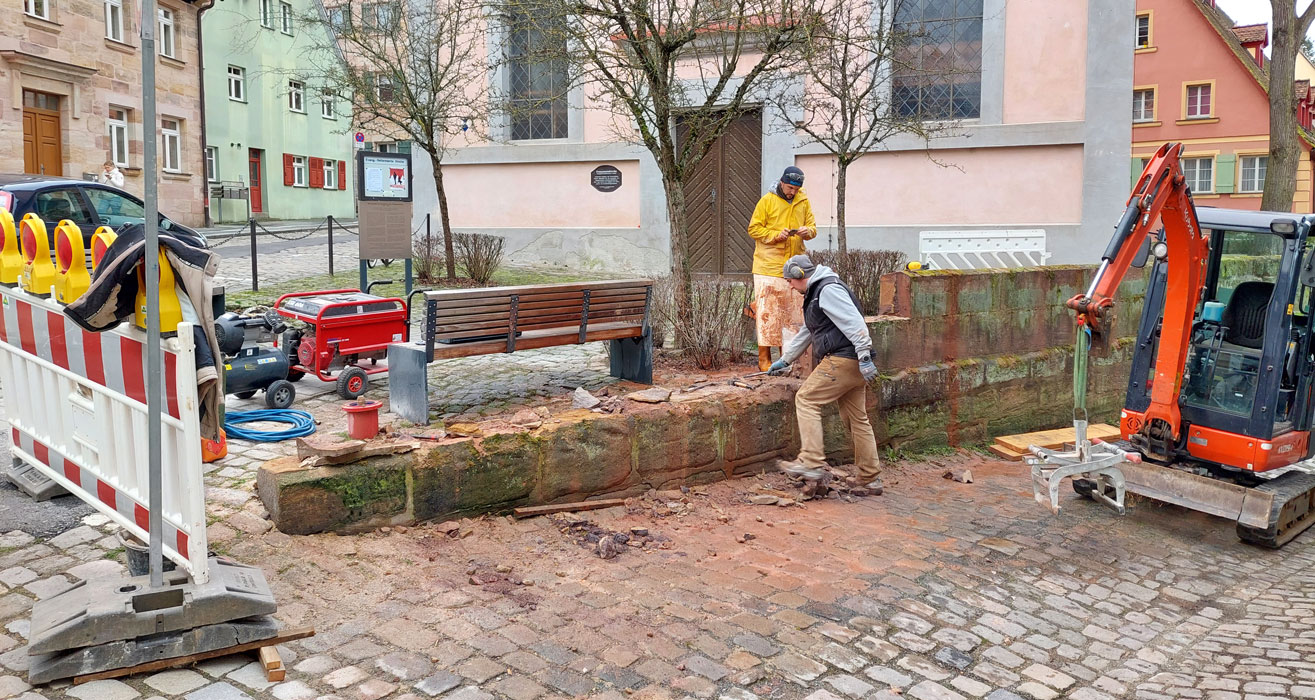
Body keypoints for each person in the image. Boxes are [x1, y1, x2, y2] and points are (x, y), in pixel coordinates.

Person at [768, 254, 883, 494]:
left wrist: (863, 355)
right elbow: (809, 331)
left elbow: (854, 323)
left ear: (800, 275)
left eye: (790, 280)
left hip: (845, 358)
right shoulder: (817, 292)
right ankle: (870, 478)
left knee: (806, 398)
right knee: (856, 419)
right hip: (853, 361)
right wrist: (785, 359)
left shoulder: (827, 290)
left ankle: (811, 461)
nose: (789, 284)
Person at [747, 166, 817, 371]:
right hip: (768, 265)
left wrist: (807, 231)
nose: (792, 192)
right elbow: (754, 228)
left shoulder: (803, 201)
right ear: (781, 182)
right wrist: (775, 235)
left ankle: (786, 357)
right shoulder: (767, 201)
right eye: (789, 188)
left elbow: (813, 228)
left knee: (793, 314)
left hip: (794, 266)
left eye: (796, 189)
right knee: (768, 313)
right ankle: (764, 359)